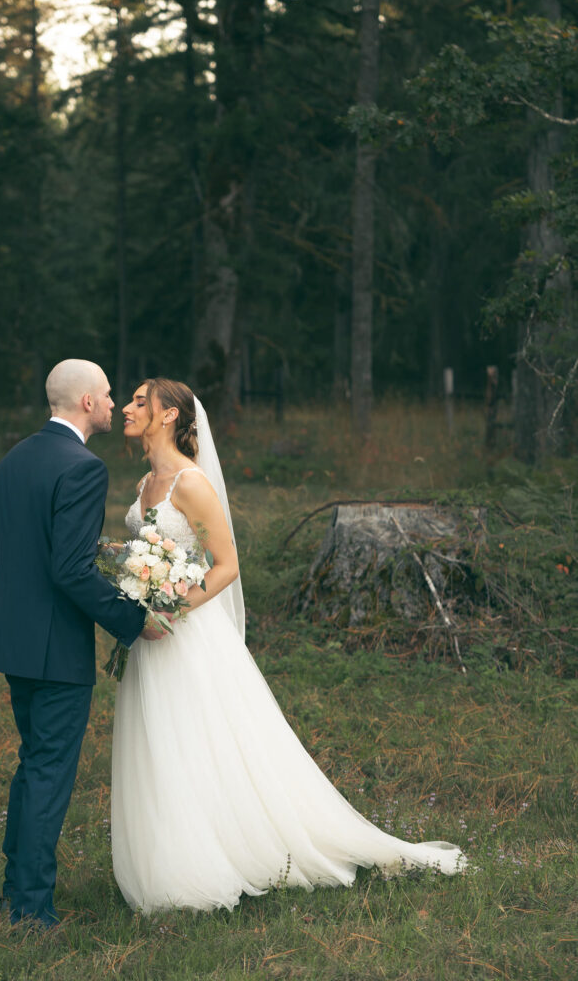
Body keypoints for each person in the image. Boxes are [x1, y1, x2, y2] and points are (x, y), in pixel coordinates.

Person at [112, 378, 466, 913]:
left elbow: (227, 565)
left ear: (168, 416)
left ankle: (220, 855)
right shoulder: (144, 483)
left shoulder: (191, 482)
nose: (127, 408)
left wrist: (172, 608)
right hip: (151, 634)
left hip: (187, 636)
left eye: (141, 401)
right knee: (162, 743)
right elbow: (150, 551)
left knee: (199, 740)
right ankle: (173, 849)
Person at [0, 359, 149, 930]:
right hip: (56, 649)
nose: (112, 402)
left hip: (13, 641)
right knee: (49, 772)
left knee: (33, 765)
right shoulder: (83, 467)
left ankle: (14, 892)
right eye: (105, 395)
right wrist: (132, 620)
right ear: (84, 403)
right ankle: (30, 910)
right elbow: (72, 572)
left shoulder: (13, 458)